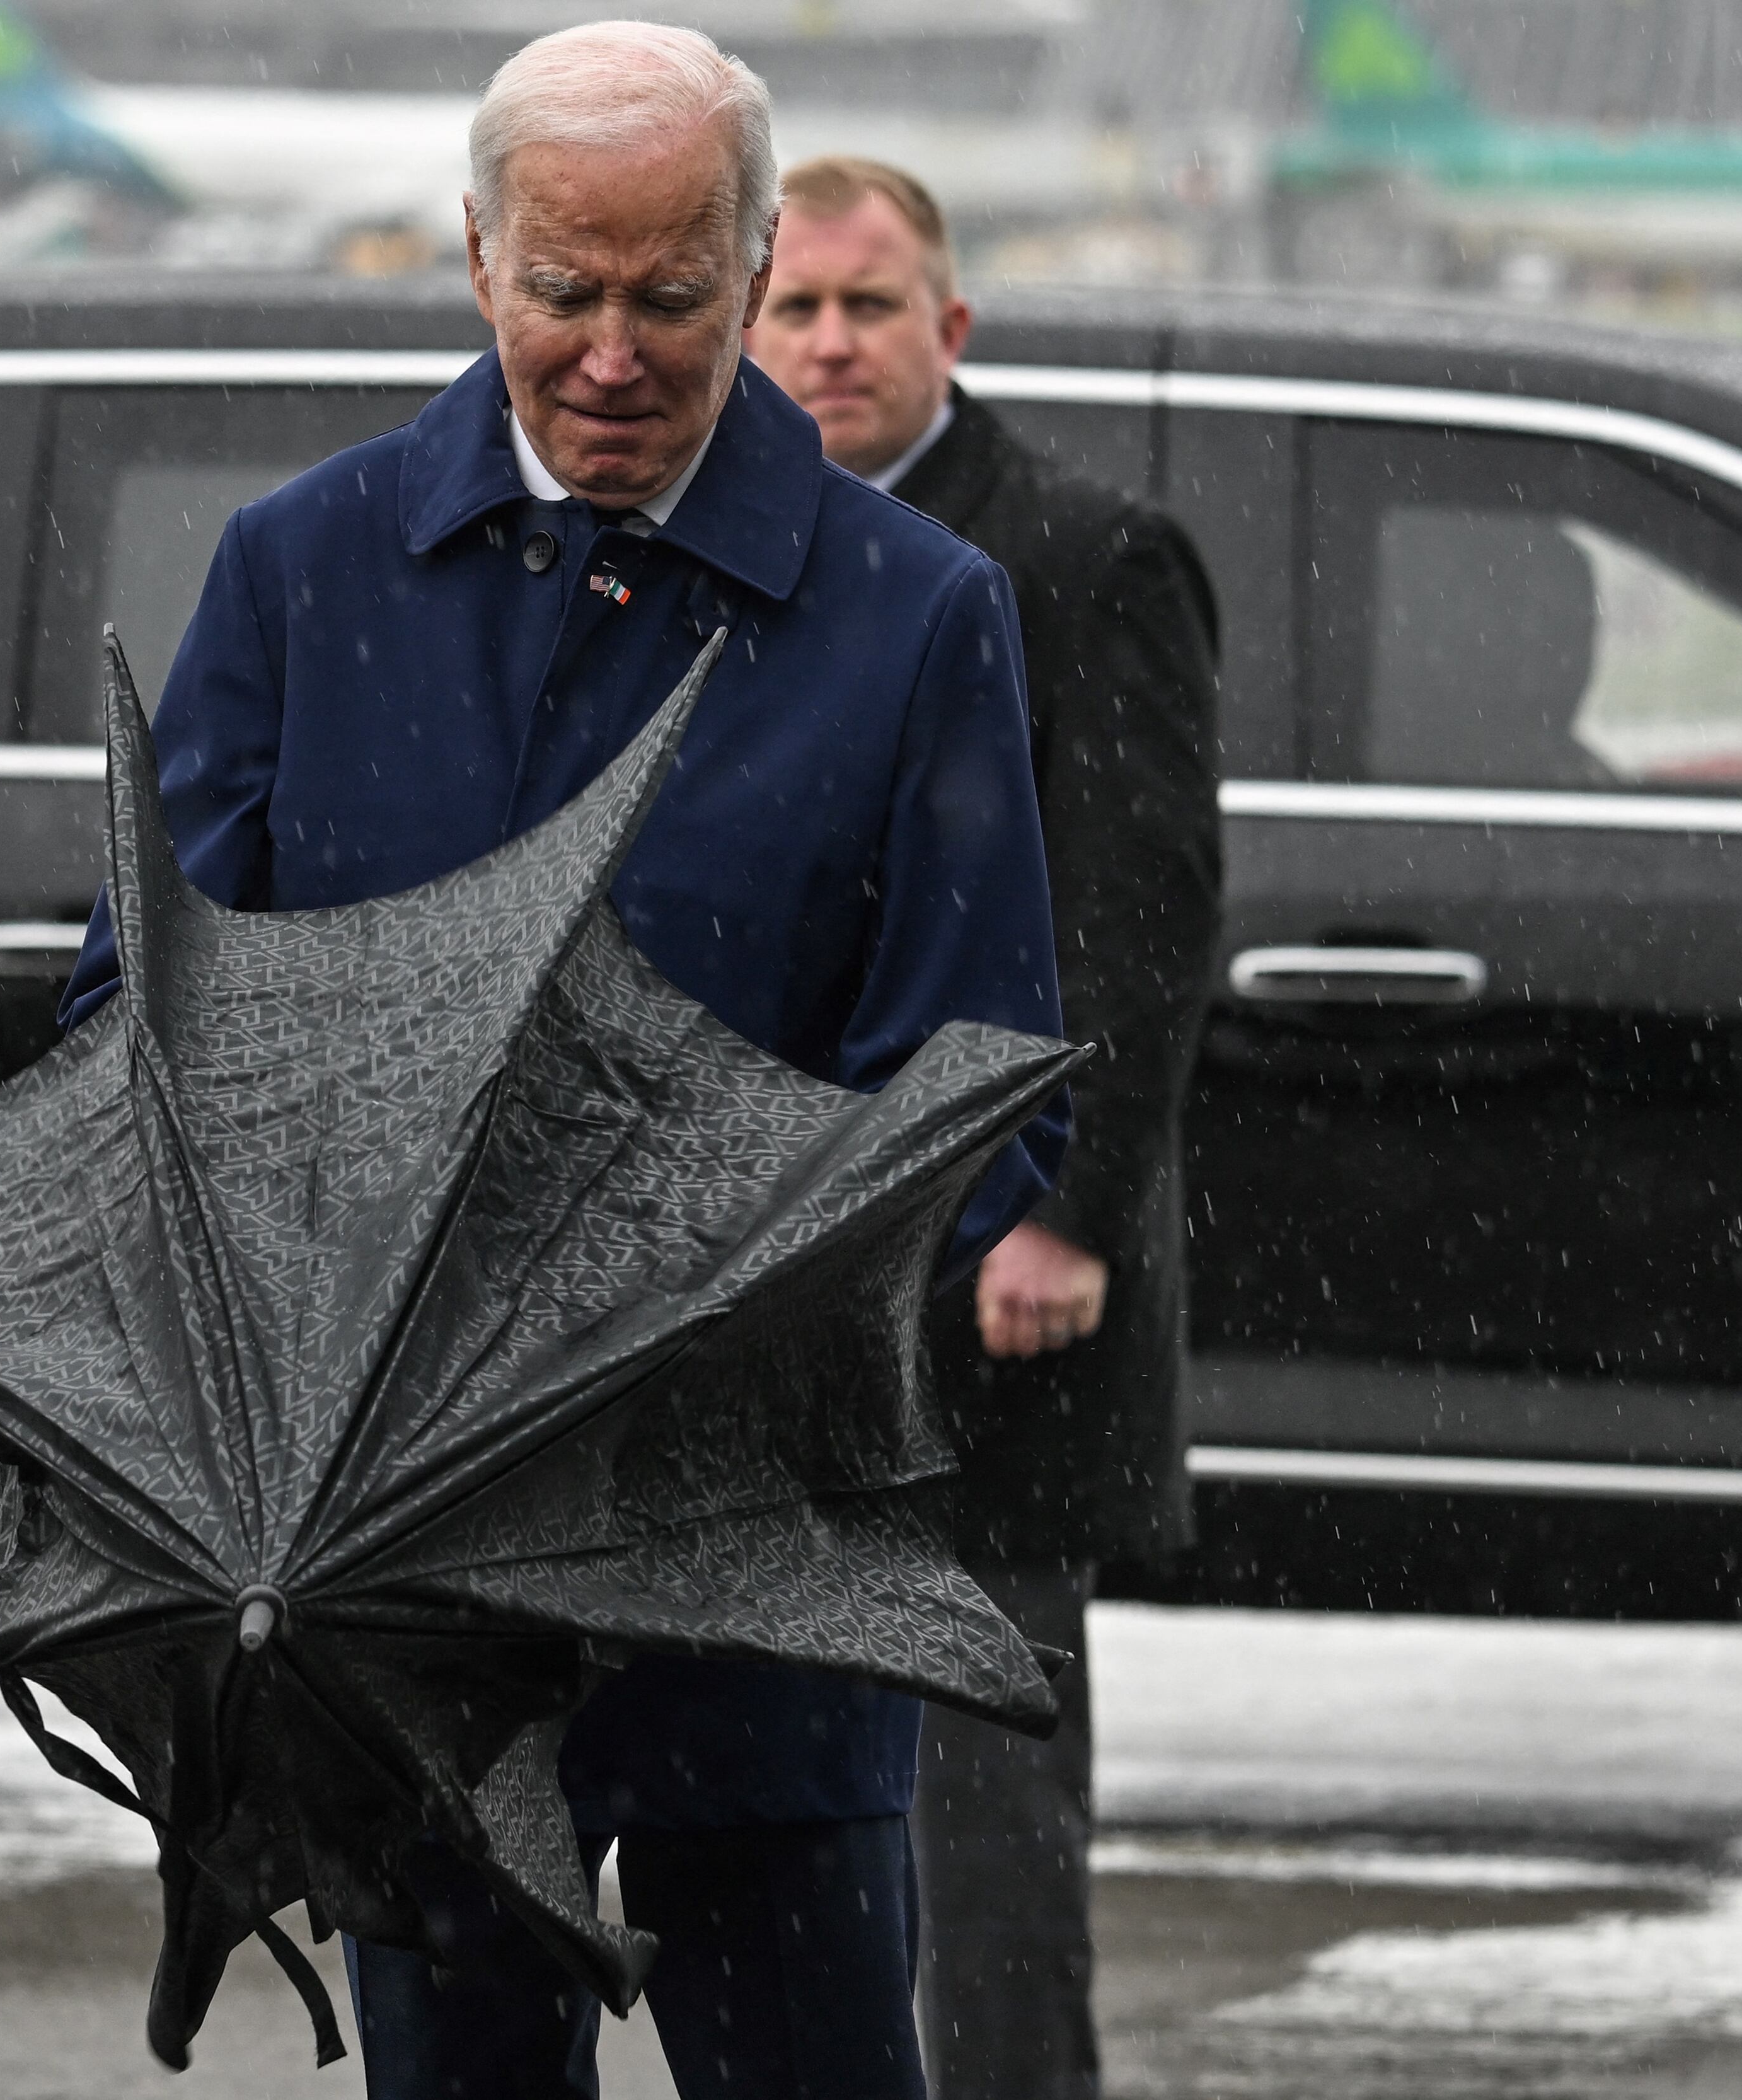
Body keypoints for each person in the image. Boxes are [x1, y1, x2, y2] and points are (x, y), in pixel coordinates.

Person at [59, 25, 1064, 2100]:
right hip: (405, 1609)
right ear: (475, 261)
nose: (611, 354)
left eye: (675, 299)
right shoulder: (306, 568)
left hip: (753, 1580)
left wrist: (713, 1337)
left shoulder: (916, 613)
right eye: (562, 293)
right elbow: (139, 1010)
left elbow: (979, 1081)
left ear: (761, 258)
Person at [748, 158, 1225, 2100]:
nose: (834, 341)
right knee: (774, 1815)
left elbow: (1139, 915)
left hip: (989, 1292)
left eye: (873, 304)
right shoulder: (714, 547)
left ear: (954, 324)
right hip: (764, 1287)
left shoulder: (1085, 556)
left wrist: (1068, 1213)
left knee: (984, 1825)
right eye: (795, 308)